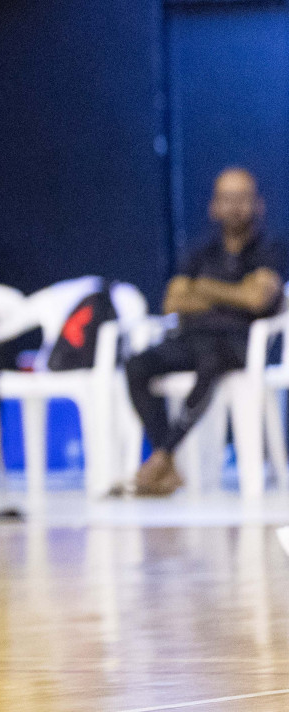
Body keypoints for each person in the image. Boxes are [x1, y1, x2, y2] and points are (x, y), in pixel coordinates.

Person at [123, 168, 287, 497]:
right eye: (227, 198)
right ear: (214, 206)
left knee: (210, 360)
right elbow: (172, 300)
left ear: (258, 204)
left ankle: (162, 459)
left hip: (241, 345)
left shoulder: (271, 249)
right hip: (193, 340)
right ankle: (163, 455)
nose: (235, 206)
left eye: (243, 198)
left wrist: (205, 288)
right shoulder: (200, 252)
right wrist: (235, 292)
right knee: (136, 364)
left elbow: (258, 299)